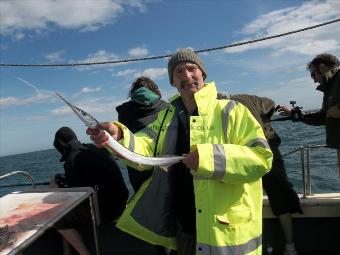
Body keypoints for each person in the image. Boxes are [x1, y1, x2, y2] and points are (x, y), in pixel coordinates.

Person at [87, 48, 273, 255]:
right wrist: (119, 137)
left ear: (203, 74)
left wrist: (208, 158)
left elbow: (261, 158)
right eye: (178, 72)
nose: (186, 75)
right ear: (172, 82)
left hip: (225, 231)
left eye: (192, 69)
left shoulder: (233, 111)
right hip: (184, 227)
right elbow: (145, 151)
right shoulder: (167, 118)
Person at [230, 94, 303, 255]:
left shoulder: (223, 105)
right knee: (280, 198)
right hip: (267, 147)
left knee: (241, 201)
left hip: (243, 154)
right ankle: (290, 247)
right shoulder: (249, 99)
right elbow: (271, 104)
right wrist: (266, 119)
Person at [52, 127, 129, 255]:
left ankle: (84, 253)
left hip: (105, 213)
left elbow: (74, 197)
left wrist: (56, 188)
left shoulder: (71, 160)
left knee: (57, 218)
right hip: (121, 202)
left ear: (61, 146)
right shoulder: (95, 149)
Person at [116, 76, 168, 193]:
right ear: (155, 90)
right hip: (165, 166)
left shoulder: (124, 111)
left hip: (137, 167)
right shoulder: (167, 108)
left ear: (133, 92)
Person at [278, 53, 340, 149]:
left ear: (322, 67)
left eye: (313, 75)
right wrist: (294, 114)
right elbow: (322, 117)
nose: (314, 80)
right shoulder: (330, 87)